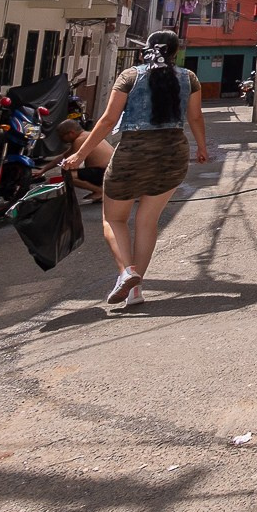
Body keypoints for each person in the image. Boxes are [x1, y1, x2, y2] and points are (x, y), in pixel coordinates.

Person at [77, 30, 210, 309]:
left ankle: (127, 272)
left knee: (114, 220)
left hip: (132, 155)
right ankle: (136, 291)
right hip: (173, 154)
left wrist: (80, 154)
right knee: (147, 222)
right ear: (176, 53)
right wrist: (201, 147)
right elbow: (195, 116)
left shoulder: (130, 76)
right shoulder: (189, 78)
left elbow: (107, 120)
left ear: (146, 50)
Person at [56, 119, 114, 205]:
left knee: (69, 176)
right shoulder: (89, 135)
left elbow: (71, 164)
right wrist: (43, 170)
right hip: (109, 170)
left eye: (61, 136)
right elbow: (64, 156)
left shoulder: (79, 140)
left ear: (71, 133)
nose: (60, 139)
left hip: (104, 171)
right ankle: (99, 189)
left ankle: (100, 191)